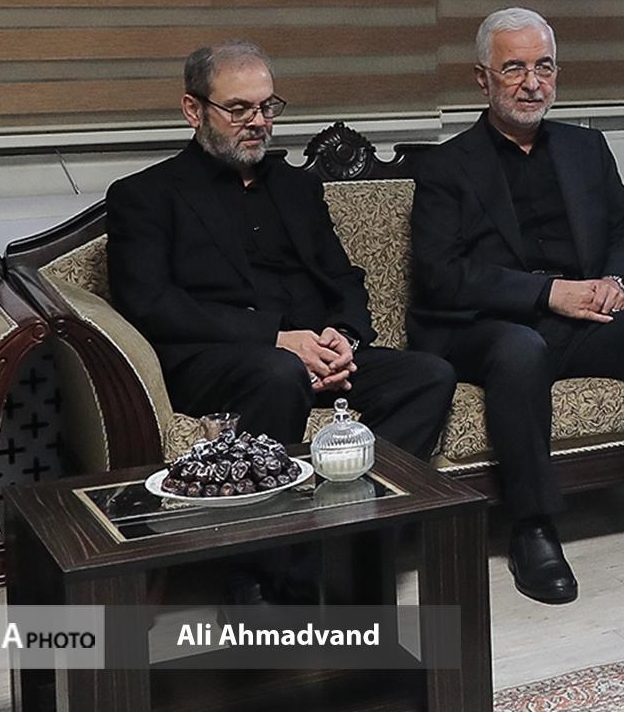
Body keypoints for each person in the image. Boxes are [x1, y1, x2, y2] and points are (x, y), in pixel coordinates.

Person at [409, 7, 624, 603]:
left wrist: (618, 281)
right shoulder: (445, 166)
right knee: (522, 348)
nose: (531, 83)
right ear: (482, 79)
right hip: (494, 329)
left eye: (543, 67)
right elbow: (442, 275)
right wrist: (546, 293)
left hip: (583, 320)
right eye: (514, 69)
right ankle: (533, 526)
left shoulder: (585, 148)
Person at [106, 41, 455, 461]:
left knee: (429, 375)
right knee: (280, 371)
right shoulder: (145, 195)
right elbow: (151, 304)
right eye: (239, 110)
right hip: (219, 360)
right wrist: (277, 339)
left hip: (311, 352)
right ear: (193, 110)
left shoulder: (297, 188)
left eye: (266, 107)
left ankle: (357, 493)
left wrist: (344, 337)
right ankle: (278, 501)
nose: (257, 122)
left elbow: (342, 277)